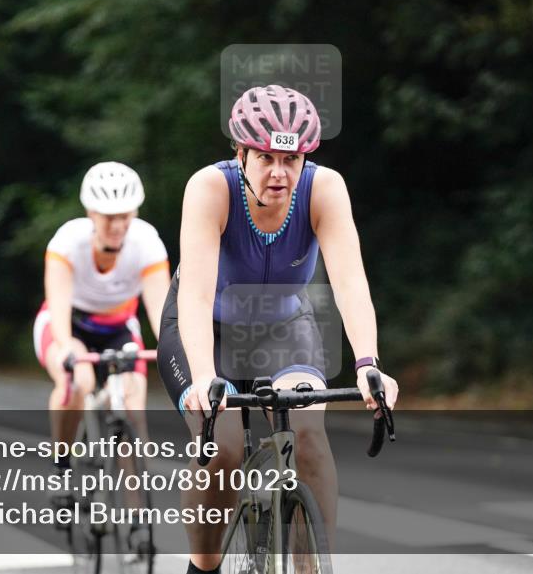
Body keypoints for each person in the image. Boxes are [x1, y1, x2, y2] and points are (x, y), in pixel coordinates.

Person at [158, 84, 400, 574]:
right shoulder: (210, 188)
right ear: (241, 152)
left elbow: (350, 282)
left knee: (307, 433)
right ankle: (201, 568)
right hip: (209, 327)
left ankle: (314, 566)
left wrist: (369, 364)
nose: (278, 172)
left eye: (291, 160)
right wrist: (205, 377)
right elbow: (198, 296)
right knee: (221, 447)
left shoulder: (324, 188)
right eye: (265, 157)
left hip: (284, 325)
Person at [32, 161, 170, 480]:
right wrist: (68, 351)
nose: (118, 225)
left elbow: (162, 314)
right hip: (68, 323)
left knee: (134, 397)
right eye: (109, 217)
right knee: (79, 381)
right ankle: (61, 465)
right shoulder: (67, 241)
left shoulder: (147, 243)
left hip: (118, 327)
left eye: (125, 215)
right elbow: (59, 308)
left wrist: (175, 349)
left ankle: (136, 518)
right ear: (91, 214)